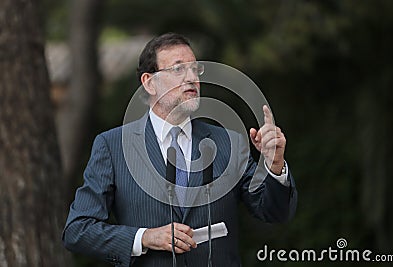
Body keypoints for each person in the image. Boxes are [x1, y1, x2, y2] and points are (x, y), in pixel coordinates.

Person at [62, 32, 297, 267]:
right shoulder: (112, 147)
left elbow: (274, 212)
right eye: (178, 69)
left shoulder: (229, 143)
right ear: (149, 82)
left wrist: (274, 165)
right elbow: (78, 230)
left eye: (195, 69)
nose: (191, 77)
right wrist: (145, 237)